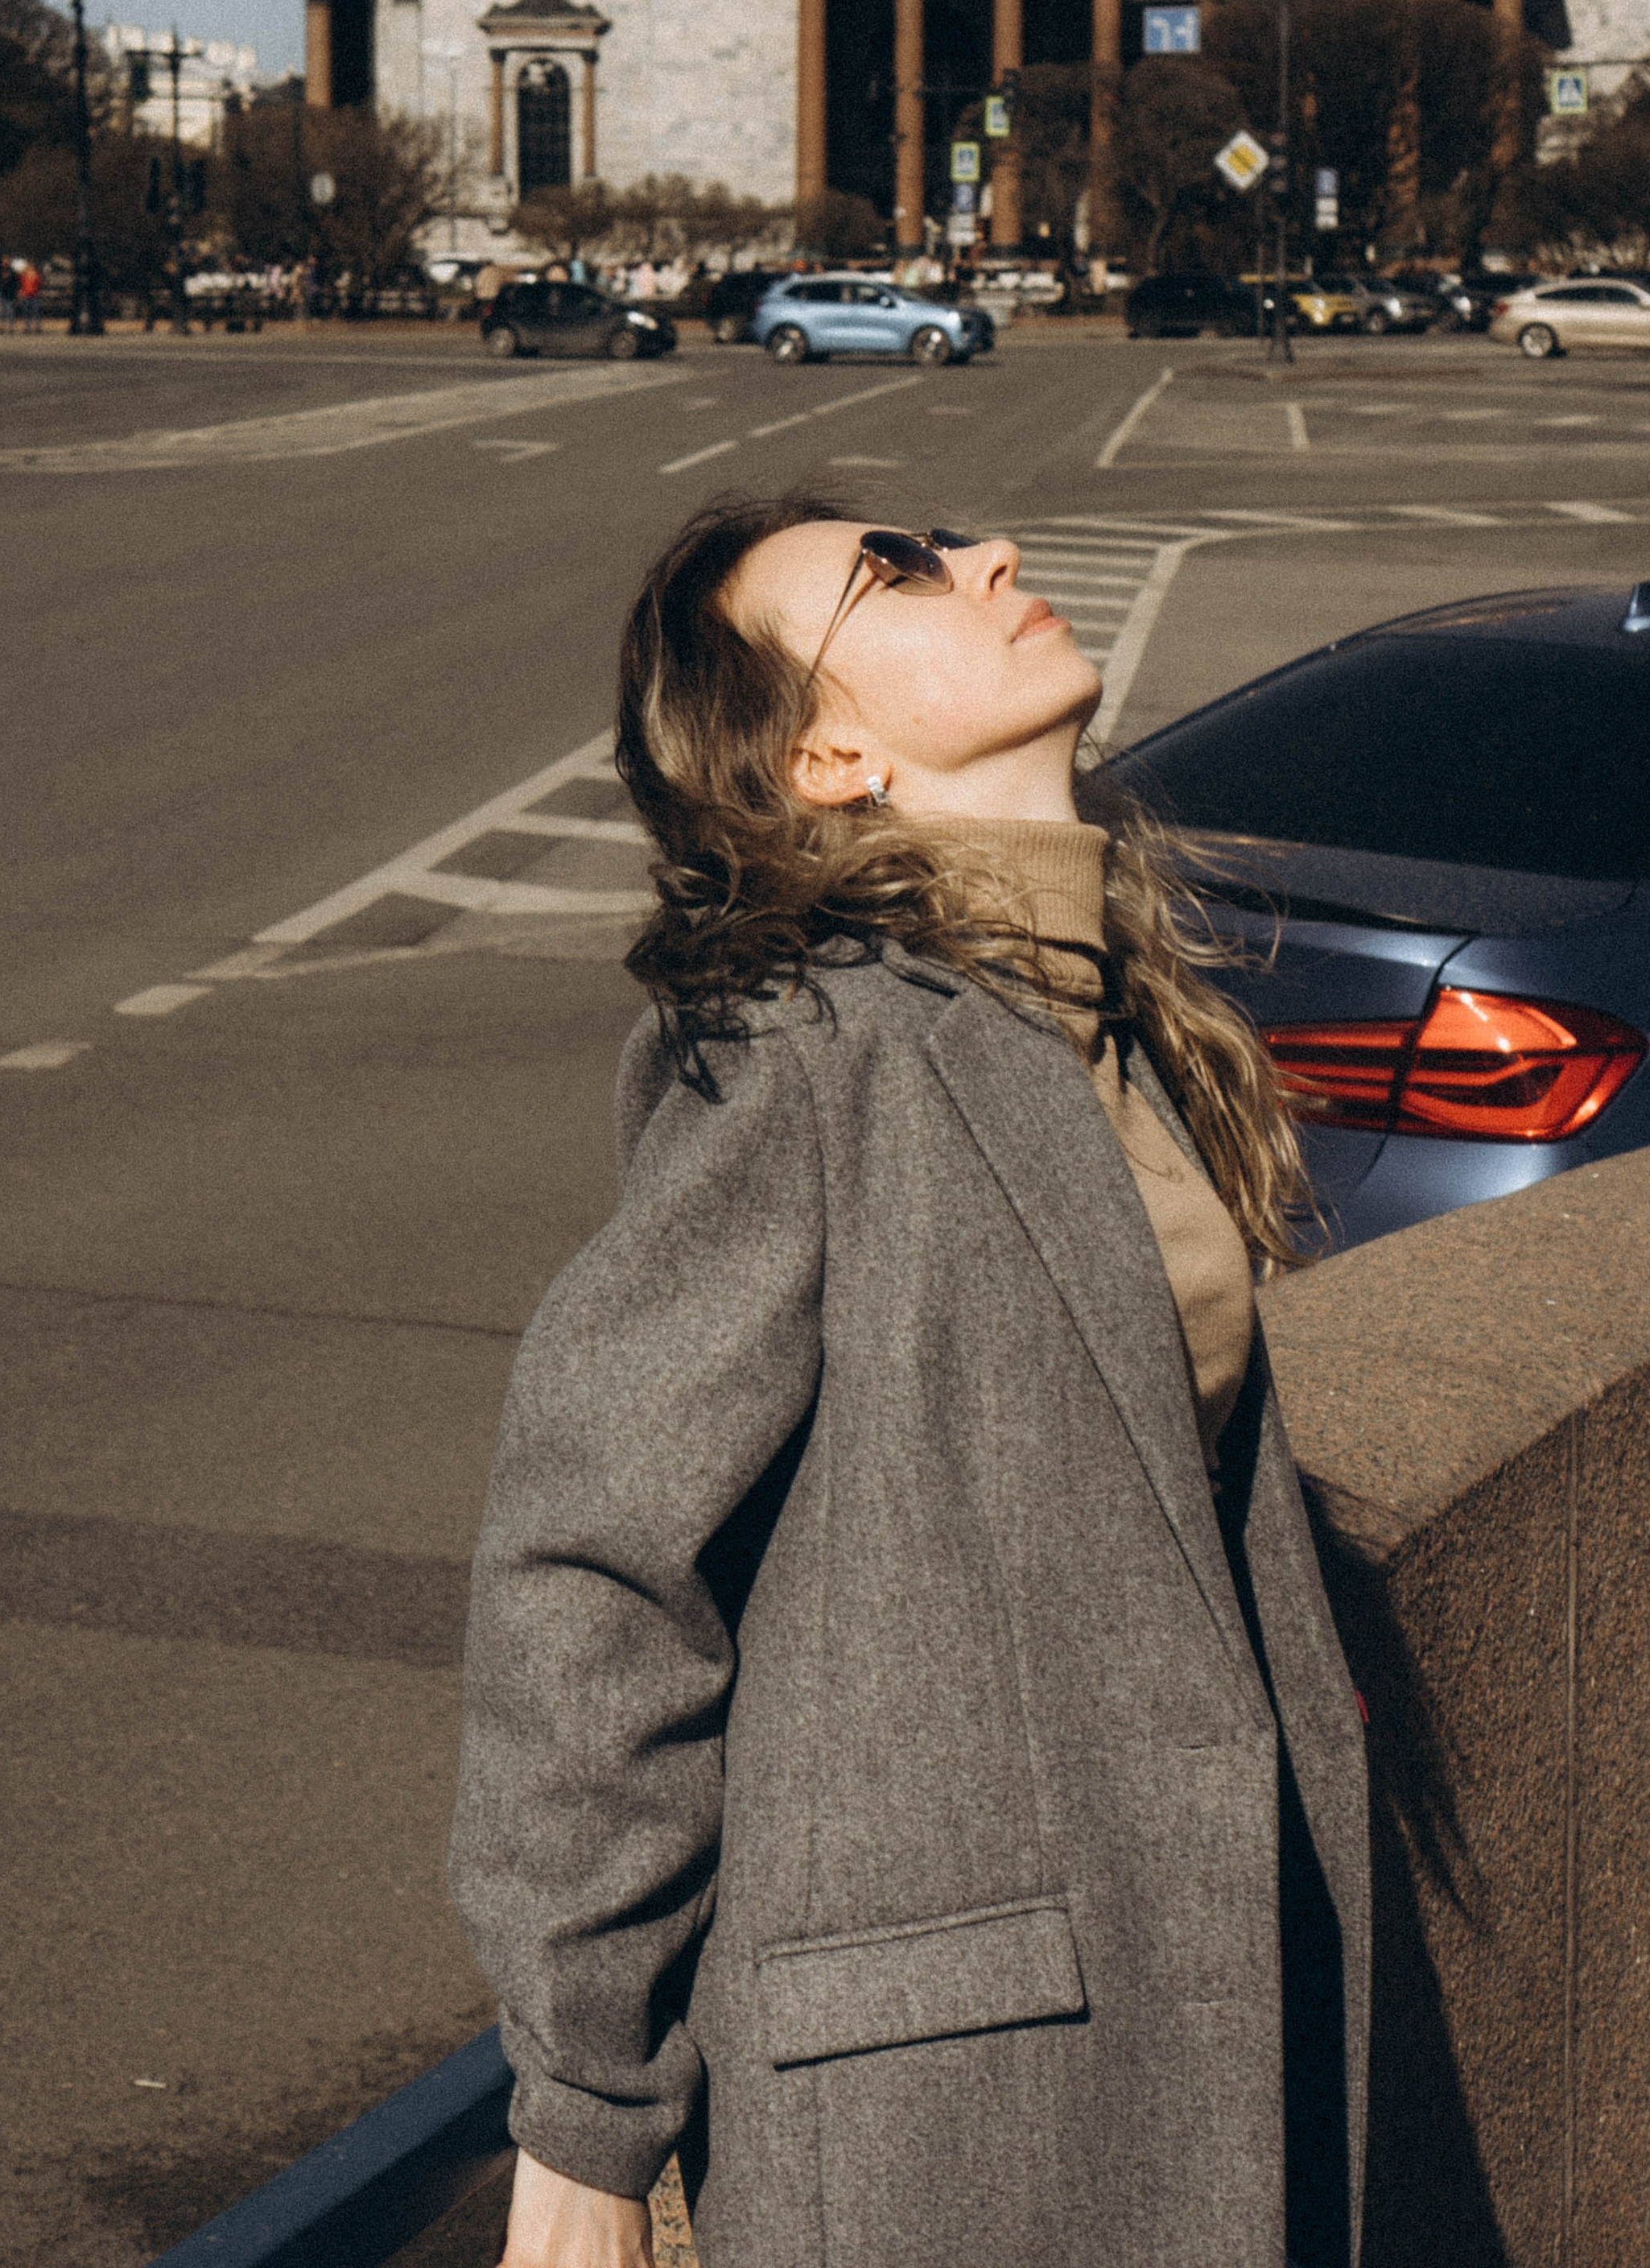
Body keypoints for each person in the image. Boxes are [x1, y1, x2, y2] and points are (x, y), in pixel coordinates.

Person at [452, 495, 1368, 2268]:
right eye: (902, 569)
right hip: (941, 2092)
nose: (995, 561)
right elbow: (589, 1568)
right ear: (824, 752)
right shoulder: (801, 1050)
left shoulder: (1097, 1021)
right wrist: (582, 2115)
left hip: (1180, 2010)